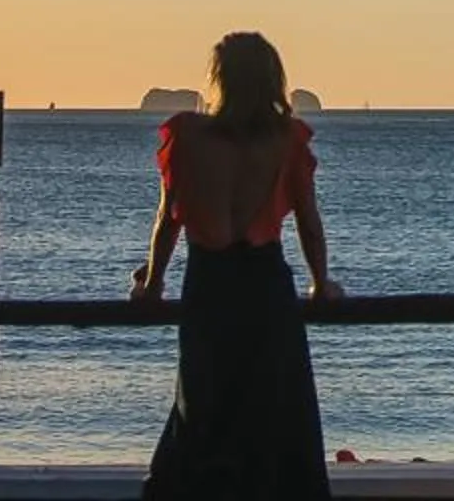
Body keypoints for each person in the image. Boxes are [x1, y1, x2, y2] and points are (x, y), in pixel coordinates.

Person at [134, 31, 341, 499]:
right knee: (274, 415)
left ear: (219, 78)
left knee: (203, 409)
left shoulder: (187, 136)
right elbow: (308, 222)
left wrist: (152, 283)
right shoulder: (286, 140)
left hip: (209, 285)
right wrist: (320, 282)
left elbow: (168, 219)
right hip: (265, 287)